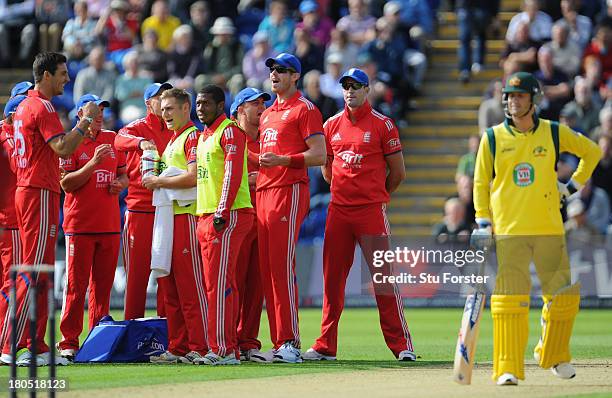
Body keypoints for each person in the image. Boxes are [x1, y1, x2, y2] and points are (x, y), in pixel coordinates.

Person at [471, 71, 602, 386]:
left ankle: (554, 355)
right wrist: (483, 220)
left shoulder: (554, 133)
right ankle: (508, 368)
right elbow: (479, 182)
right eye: (510, 96)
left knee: (562, 298)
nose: (513, 102)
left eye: (519, 96)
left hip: (548, 228)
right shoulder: (492, 137)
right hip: (510, 230)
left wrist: (569, 189)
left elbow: (592, 153)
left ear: (534, 100)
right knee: (509, 302)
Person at [302, 68, 414, 361]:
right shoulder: (330, 125)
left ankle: (402, 345)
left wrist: (377, 195)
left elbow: (398, 173)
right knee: (332, 281)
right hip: (339, 211)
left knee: (383, 278)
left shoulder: (383, 125)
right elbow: (327, 169)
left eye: (356, 86)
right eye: (346, 86)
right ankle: (326, 345)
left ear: (367, 90)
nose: (350, 91)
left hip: (371, 213)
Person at [0, 52, 101, 366]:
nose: (66, 79)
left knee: (40, 271)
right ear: (45, 75)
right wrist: (86, 119)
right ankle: (8, 344)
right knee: (31, 270)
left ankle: (34, 343)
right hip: (37, 192)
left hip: (32, 190)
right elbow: (63, 148)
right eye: (61, 73)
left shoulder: (26, 106)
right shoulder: (42, 107)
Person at [257, 53, 326, 363]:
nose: (275, 74)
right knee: (268, 269)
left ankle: (290, 343)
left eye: (282, 70)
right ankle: (277, 341)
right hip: (264, 191)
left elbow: (320, 155)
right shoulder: (267, 113)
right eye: (273, 69)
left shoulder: (305, 109)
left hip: (290, 190)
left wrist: (285, 161)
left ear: (295, 76)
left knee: (282, 267)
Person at [57, 94, 128, 360]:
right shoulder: (69, 142)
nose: (99, 115)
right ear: (80, 114)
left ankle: (97, 339)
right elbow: (66, 184)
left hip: (109, 224)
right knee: (75, 287)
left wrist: (121, 184)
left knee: (103, 287)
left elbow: (124, 173)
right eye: (93, 111)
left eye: (101, 110)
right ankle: (68, 342)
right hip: (80, 224)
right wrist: (93, 163)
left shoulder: (112, 138)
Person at [141, 88, 208, 364]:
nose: (165, 114)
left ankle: (199, 346)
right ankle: (178, 346)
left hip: (187, 216)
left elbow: (193, 177)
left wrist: (158, 182)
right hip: (170, 218)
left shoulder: (192, 136)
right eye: (163, 108)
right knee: (170, 285)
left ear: (185, 109)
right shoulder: (173, 140)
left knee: (189, 285)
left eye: (170, 108)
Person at [193, 85, 254, 365]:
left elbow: (232, 172)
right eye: (197, 103)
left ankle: (222, 350)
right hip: (206, 215)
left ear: (220, 105)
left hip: (227, 215)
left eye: (205, 103)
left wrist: (221, 211)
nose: (200, 108)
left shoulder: (229, 130)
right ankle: (227, 346)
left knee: (218, 285)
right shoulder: (203, 135)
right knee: (218, 284)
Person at [114, 82, 173, 320]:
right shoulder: (137, 127)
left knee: (167, 277)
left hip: (168, 208)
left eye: (167, 97)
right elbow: (119, 139)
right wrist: (140, 143)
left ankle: (168, 334)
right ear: (149, 103)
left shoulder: (175, 128)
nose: (165, 101)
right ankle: (132, 330)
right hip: (140, 209)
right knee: (137, 277)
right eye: (160, 97)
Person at [230, 87, 271, 363]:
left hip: (265, 219)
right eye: (254, 103)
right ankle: (227, 339)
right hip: (237, 219)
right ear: (239, 110)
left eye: (261, 103)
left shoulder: (270, 140)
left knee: (256, 286)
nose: (260, 107)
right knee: (233, 283)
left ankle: (248, 341)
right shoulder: (230, 138)